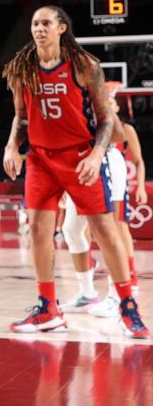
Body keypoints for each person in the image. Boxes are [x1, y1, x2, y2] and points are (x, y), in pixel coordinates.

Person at [2, 5, 147, 338]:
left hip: (80, 157)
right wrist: (12, 146)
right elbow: (21, 118)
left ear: (62, 28)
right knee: (40, 229)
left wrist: (97, 155)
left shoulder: (84, 66)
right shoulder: (23, 69)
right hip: (40, 158)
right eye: (35, 23)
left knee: (104, 229)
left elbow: (106, 119)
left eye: (46, 23)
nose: (39, 28)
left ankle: (127, 306)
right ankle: (47, 307)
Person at [85, 89, 145, 318]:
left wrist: (139, 186)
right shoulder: (95, 128)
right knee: (96, 231)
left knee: (119, 228)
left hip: (118, 180)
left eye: (111, 101)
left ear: (117, 107)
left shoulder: (126, 130)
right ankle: (97, 276)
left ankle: (128, 278)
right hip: (100, 178)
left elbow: (139, 162)